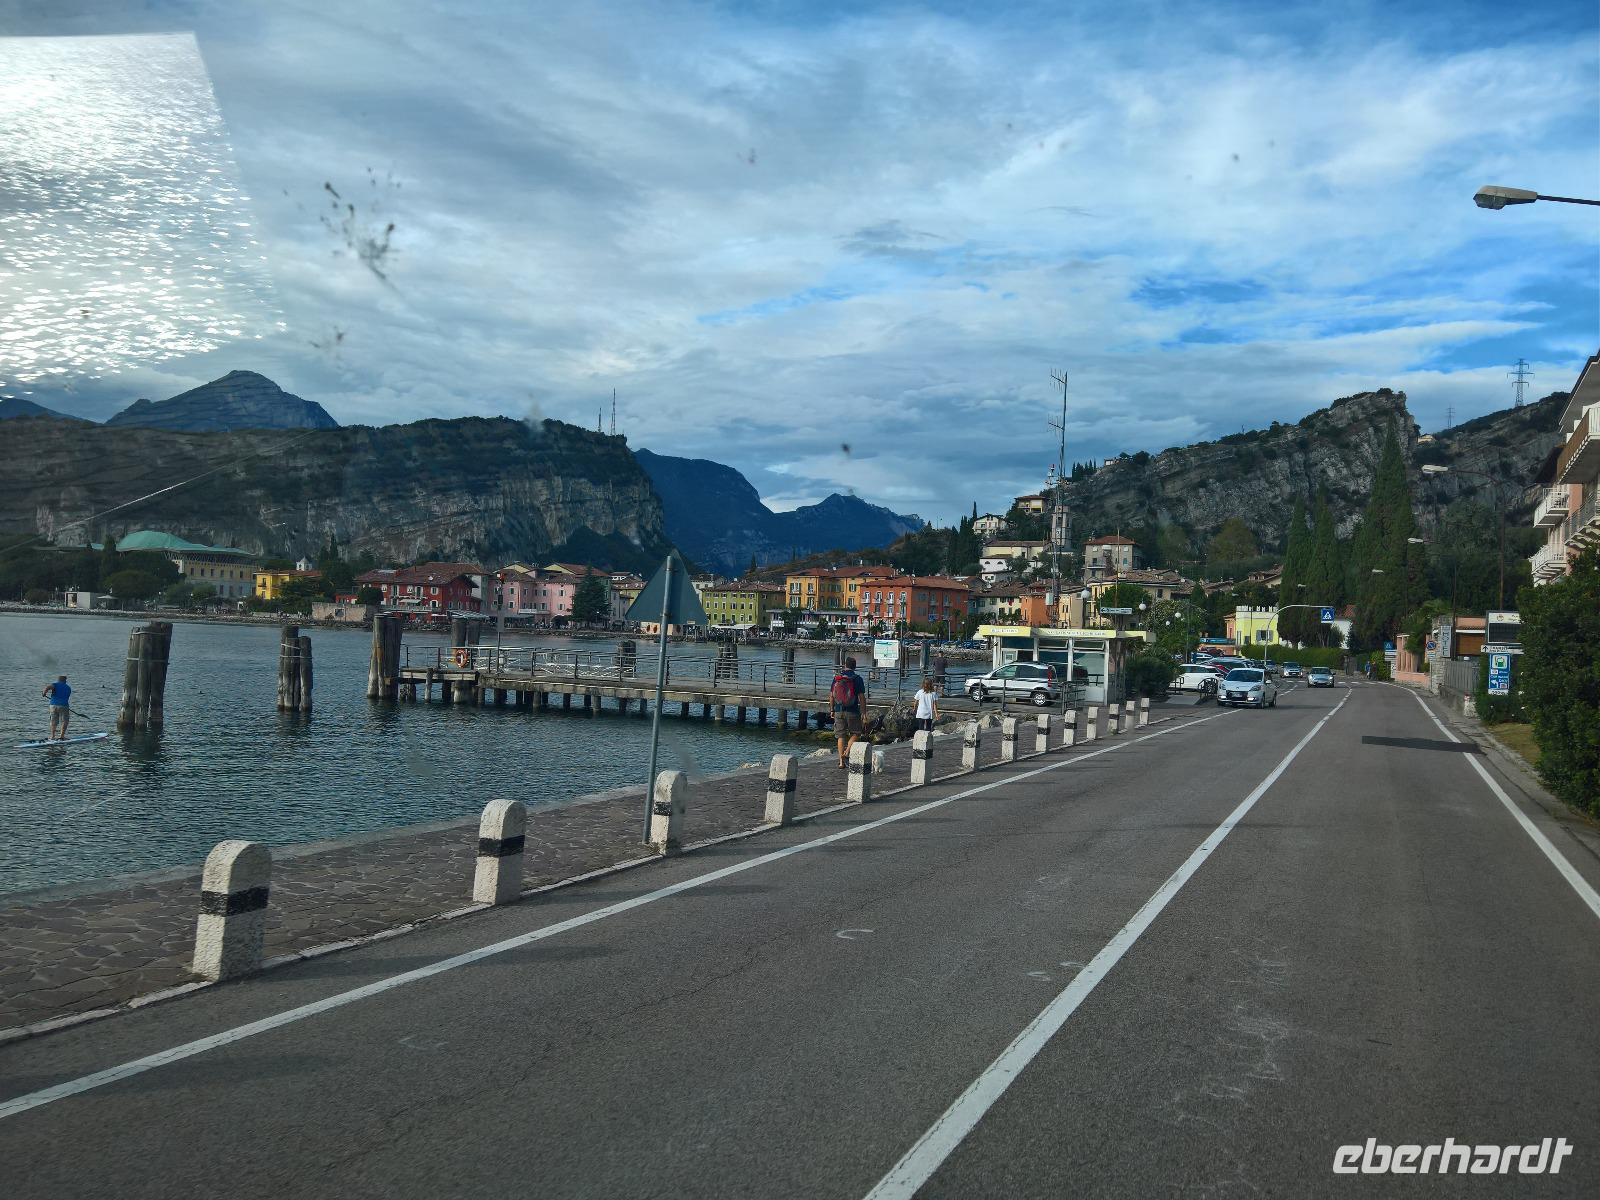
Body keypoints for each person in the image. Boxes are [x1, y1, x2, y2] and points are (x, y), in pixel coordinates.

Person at [831, 655, 866, 768]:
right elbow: (861, 697)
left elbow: (831, 696)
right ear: (855, 667)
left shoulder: (837, 678)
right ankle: (846, 753)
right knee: (856, 732)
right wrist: (863, 712)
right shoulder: (857, 678)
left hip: (838, 710)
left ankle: (841, 763)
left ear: (845, 665)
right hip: (852, 711)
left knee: (841, 735)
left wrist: (832, 709)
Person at [42, 674, 71, 741]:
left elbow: (48, 687)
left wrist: (44, 693)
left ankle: (52, 736)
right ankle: (62, 737)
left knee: (53, 721)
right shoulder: (68, 688)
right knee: (64, 721)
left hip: (53, 705)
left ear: (58, 680)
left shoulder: (55, 684)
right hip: (64, 705)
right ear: (65, 680)